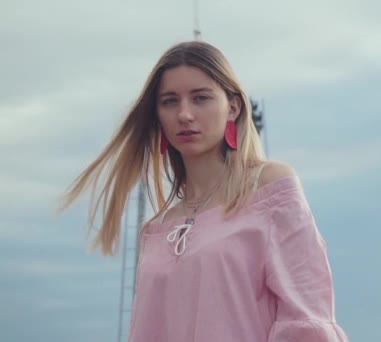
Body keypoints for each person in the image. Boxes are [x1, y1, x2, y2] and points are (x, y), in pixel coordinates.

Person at [59, 41, 349, 341]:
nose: (184, 114)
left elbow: (305, 319)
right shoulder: (157, 230)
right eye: (170, 101)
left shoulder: (270, 189)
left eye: (200, 98)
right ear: (157, 114)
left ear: (233, 107)